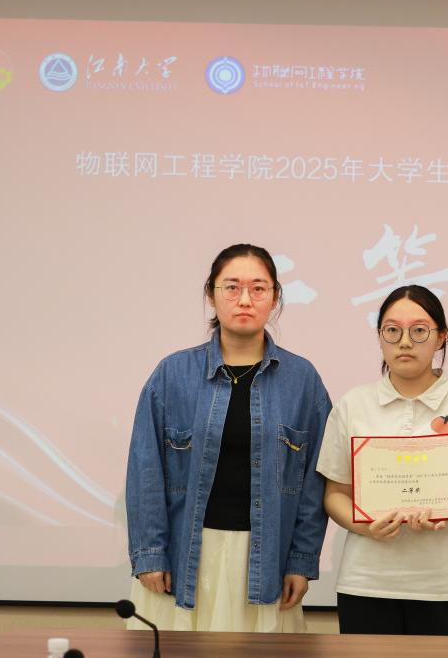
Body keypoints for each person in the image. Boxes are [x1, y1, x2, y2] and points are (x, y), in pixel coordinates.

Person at [125, 243, 331, 632]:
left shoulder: (302, 380)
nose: (245, 300)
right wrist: (150, 553)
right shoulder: (172, 374)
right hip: (184, 557)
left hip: (265, 562)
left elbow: (314, 482)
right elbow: (145, 469)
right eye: (232, 287)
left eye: (259, 288)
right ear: (211, 294)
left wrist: (301, 561)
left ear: (275, 298)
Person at [316, 285, 448, 636]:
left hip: (447, 586)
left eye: (419, 330)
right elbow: (334, 494)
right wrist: (365, 526)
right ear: (380, 337)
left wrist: (446, 507)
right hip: (366, 583)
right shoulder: (353, 405)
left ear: (441, 337)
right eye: (392, 330)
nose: (405, 342)